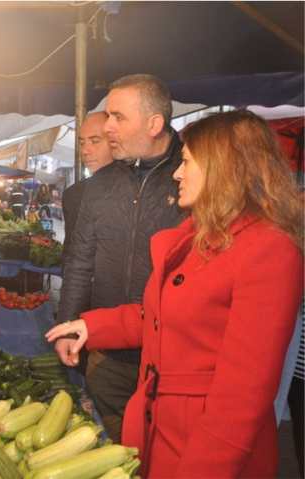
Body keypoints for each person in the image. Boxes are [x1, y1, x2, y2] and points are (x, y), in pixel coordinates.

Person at [47, 110, 303, 478]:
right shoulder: (199, 238)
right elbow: (162, 315)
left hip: (205, 447)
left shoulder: (269, 250)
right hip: (161, 426)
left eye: (186, 162)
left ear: (224, 167)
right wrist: (91, 327)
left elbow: (242, 396)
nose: (177, 174)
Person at [57, 74, 185, 442]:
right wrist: (68, 322)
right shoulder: (98, 187)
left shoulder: (191, 178)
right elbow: (79, 261)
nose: (108, 126)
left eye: (118, 117)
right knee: (118, 447)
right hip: (107, 352)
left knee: (168, 448)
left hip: (171, 355)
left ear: (154, 124)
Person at [60, 112, 114, 252]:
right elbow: (71, 253)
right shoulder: (73, 195)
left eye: (95, 141)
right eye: (82, 142)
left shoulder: (138, 189)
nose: (85, 150)